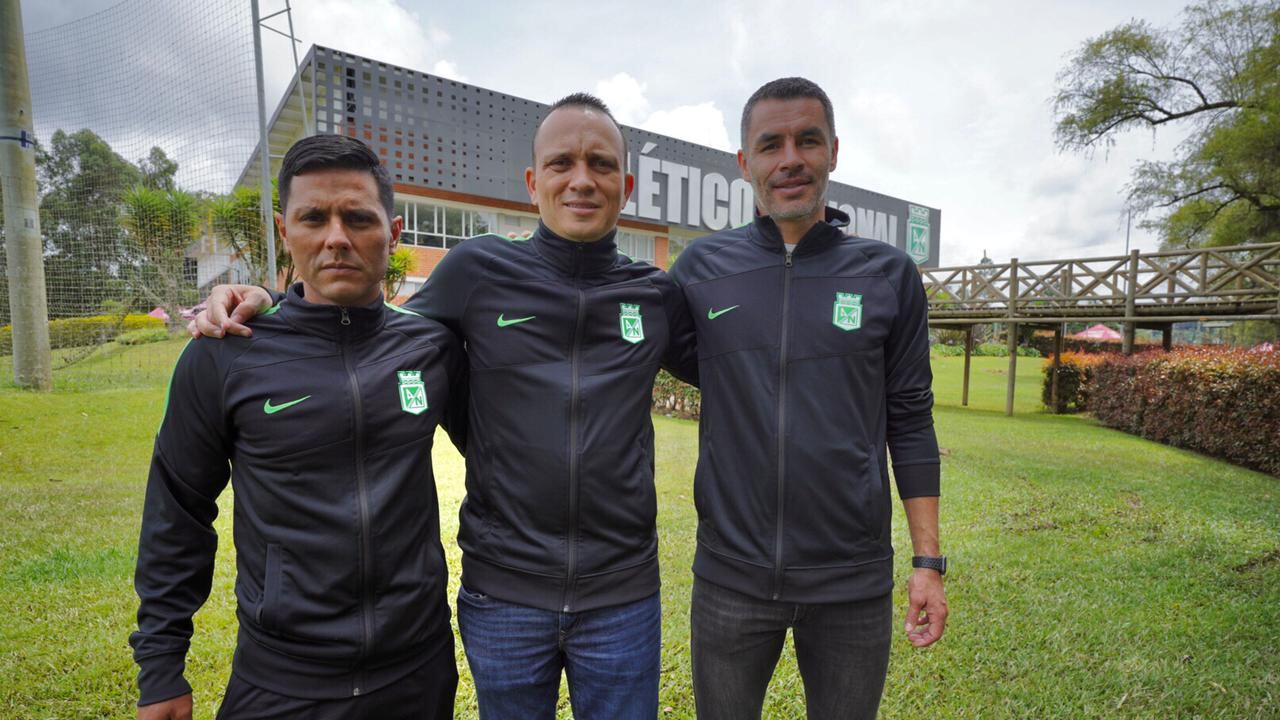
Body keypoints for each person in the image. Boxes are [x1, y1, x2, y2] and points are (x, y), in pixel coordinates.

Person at [190, 94, 697, 720]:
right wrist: (273, 299)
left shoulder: (656, 295)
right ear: (534, 182)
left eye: (600, 164)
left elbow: (744, 365)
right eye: (562, 162)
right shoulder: (475, 269)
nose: (581, 179)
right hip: (503, 593)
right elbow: (371, 330)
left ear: (626, 185)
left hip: (623, 596)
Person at [131, 134, 464, 720]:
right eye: (314, 217)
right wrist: (161, 668)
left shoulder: (431, 345)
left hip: (418, 668)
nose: (337, 236)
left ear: (394, 232)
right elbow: (177, 510)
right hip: (282, 679)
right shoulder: (225, 353)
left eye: (358, 217)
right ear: (286, 233)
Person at [669, 77, 948, 720]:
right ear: (745, 163)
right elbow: (667, 356)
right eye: (771, 144)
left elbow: (909, 421)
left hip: (852, 584)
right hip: (730, 580)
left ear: (833, 151)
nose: (789, 158)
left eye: (807, 140)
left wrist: (928, 561)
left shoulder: (887, 275)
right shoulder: (700, 270)